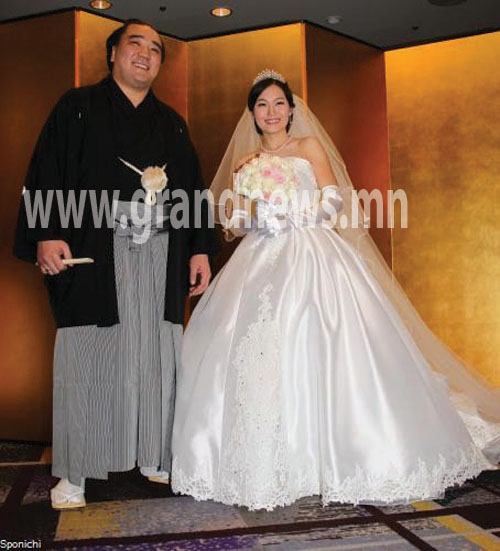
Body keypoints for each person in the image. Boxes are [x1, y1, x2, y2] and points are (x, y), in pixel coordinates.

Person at [170, 70, 500, 511]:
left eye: (279, 103)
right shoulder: (245, 163)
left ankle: (350, 453)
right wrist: (258, 217)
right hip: (262, 255)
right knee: (252, 348)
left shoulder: (308, 147)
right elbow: (238, 218)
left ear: (291, 110)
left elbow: (333, 197)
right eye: (262, 105)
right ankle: (264, 461)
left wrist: (295, 213)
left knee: (325, 337)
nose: (271, 112)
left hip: (312, 250)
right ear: (252, 114)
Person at [13, 19, 217, 509]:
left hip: (161, 251)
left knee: (157, 354)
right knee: (90, 352)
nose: (145, 54)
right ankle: (76, 472)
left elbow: (192, 188)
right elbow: (47, 170)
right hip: (96, 249)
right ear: (112, 53)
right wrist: (47, 233)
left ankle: (155, 454)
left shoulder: (172, 122)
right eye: (135, 44)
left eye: (155, 49)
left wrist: (199, 248)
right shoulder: (77, 107)